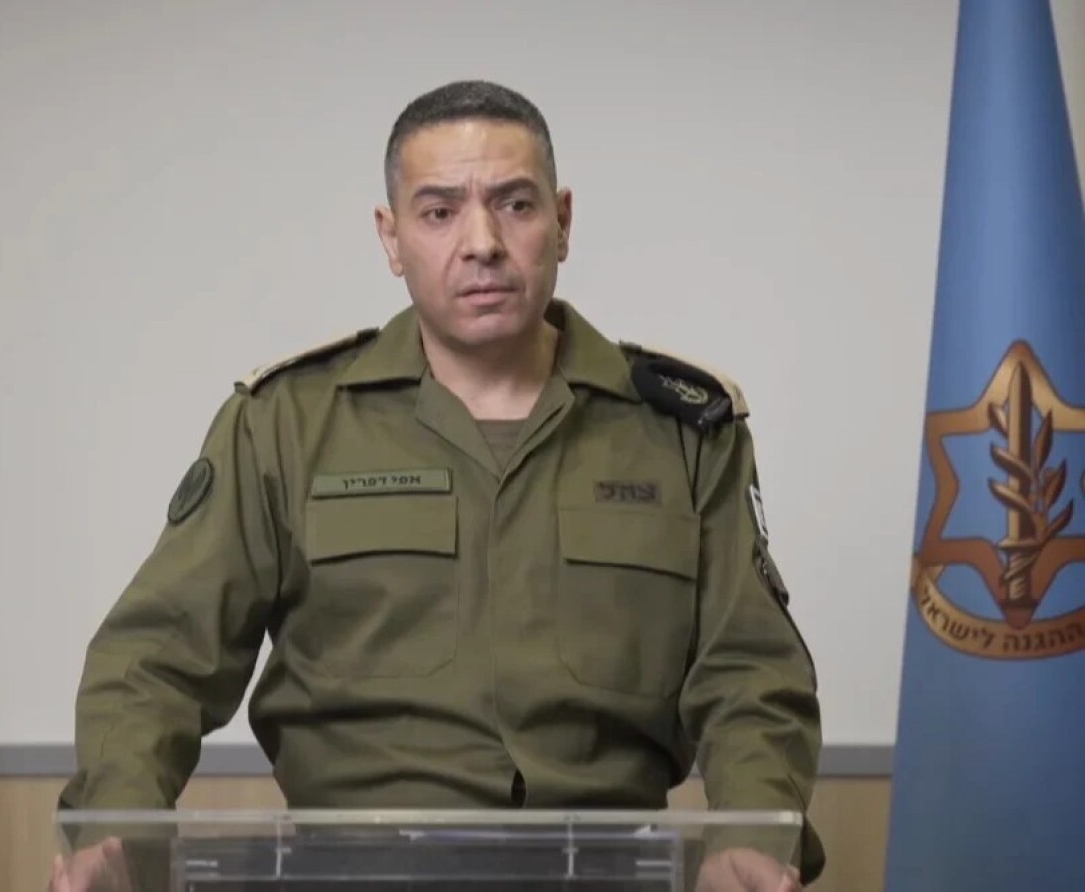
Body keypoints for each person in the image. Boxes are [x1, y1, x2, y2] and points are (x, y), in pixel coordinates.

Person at [51, 79, 823, 891]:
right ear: (391, 238)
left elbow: (752, 674)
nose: (482, 242)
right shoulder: (286, 424)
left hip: (605, 871)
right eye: (440, 211)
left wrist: (749, 839)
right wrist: (116, 834)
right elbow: (156, 661)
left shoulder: (682, 431)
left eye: (515, 205)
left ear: (563, 221)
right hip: (350, 876)